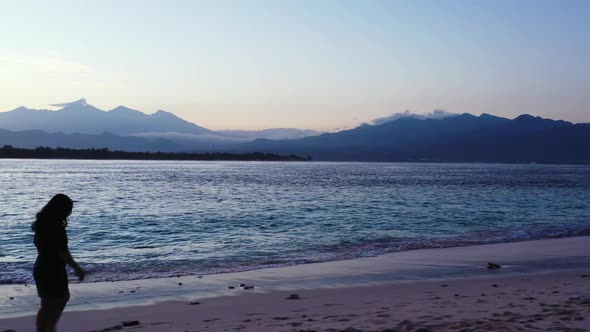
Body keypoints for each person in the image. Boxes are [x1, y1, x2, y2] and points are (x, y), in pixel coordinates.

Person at [31, 194, 86, 332]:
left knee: (47, 304)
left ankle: (48, 328)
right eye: (69, 209)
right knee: (60, 299)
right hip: (52, 270)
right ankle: (50, 328)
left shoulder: (41, 225)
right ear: (61, 210)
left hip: (40, 268)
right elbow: (63, 252)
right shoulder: (56, 228)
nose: (70, 213)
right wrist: (77, 268)